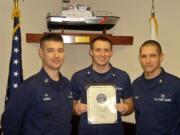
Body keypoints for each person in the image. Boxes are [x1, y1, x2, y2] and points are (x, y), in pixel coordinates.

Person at [2, 33, 73, 135]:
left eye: (60, 50)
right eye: (50, 50)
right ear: (41, 53)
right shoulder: (28, 87)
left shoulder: (67, 84)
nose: (56, 55)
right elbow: (9, 124)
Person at [71, 36, 134, 135]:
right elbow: (71, 106)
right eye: (98, 50)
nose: (102, 54)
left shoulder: (123, 76)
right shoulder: (78, 77)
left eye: (106, 50)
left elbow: (130, 105)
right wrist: (76, 109)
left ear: (111, 53)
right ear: (91, 52)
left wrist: (126, 108)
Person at [132, 40, 180, 135]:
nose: (148, 61)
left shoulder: (175, 84)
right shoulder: (136, 84)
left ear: (161, 57)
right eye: (144, 56)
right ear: (139, 58)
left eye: (153, 56)